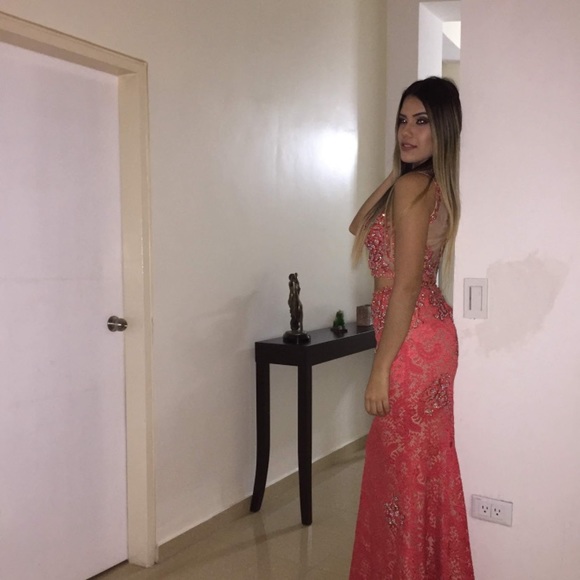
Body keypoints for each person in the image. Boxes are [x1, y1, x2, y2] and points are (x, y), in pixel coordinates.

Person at [348, 77, 474, 579]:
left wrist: (380, 369)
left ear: (443, 129)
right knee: (417, 469)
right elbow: (358, 224)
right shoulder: (422, 184)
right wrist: (398, 168)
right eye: (403, 120)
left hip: (410, 339)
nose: (407, 131)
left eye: (422, 122)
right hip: (425, 332)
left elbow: (402, 287)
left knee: (402, 473)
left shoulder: (413, 188)